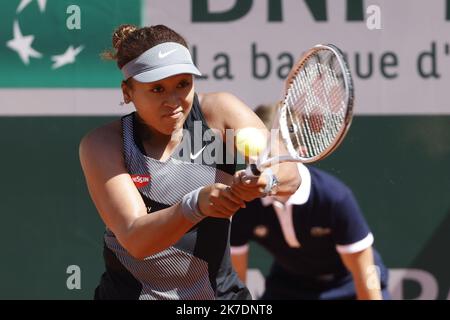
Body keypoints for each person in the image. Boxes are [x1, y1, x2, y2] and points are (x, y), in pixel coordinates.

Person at [78, 24, 300, 300]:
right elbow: (137, 239)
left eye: (183, 84)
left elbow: (288, 172)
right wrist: (196, 204)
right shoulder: (104, 143)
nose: (174, 101)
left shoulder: (220, 112)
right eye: (157, 89)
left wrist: (267, 180)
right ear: (127, 92)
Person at [230, 104, 390, 300]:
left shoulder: (333, 198)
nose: (260, 168)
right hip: (289, 286)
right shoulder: (244, 204)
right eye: (253, 158)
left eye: (270, 158)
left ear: (300, 154)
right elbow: (235, 283)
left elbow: (366, 273)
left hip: (347, 285)